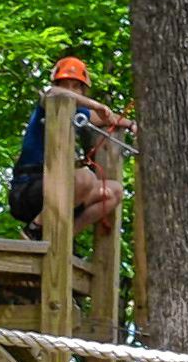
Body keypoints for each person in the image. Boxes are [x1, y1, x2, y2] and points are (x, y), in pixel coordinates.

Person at [9, 55, 130, 239]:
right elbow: (53, 92)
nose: (69, 90)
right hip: (28, 191)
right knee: (85, 178)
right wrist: (95, 104)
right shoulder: (48, 103)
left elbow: (110, 119)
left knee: (113, 191)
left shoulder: (79, 113)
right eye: (65, 84)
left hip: (58, 192)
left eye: (75, 86)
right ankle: (34, 229)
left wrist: (132, 125)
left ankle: (61, 238)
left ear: (82, 90)